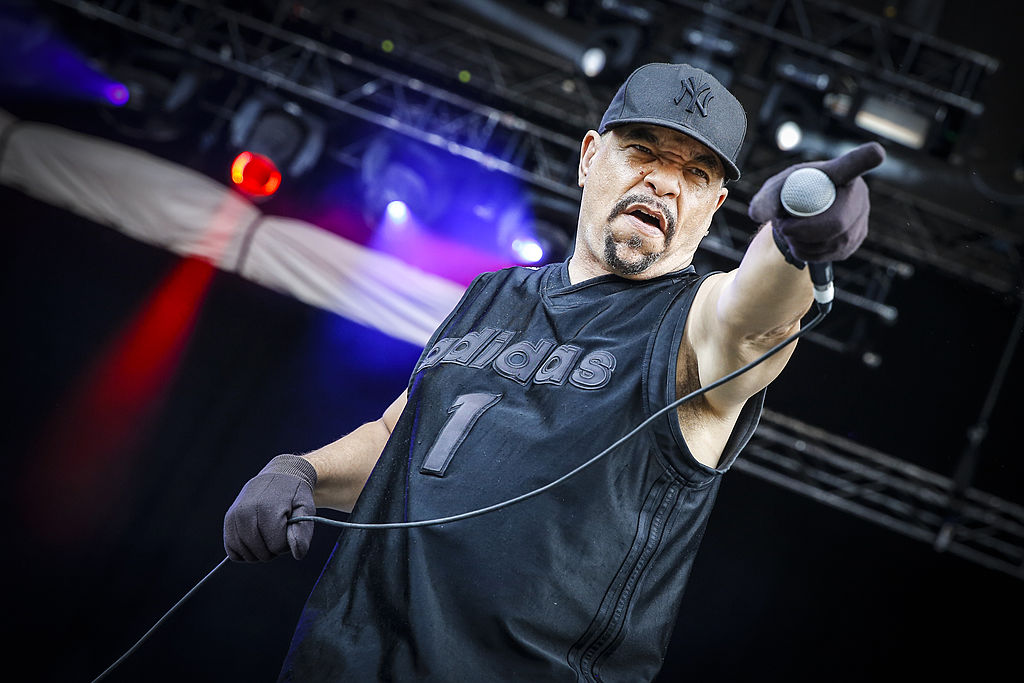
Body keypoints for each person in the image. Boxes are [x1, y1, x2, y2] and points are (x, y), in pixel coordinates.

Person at [223, 62, 884, 681]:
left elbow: (754, 318)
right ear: (590, 156)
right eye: (644, 151)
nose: (664, 182)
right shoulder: (493, 294)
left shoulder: (692, 324)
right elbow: (404, 437)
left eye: (696, 172)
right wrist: (300, 471)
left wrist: (796, 239)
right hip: (340, 657)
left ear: (713, 206)